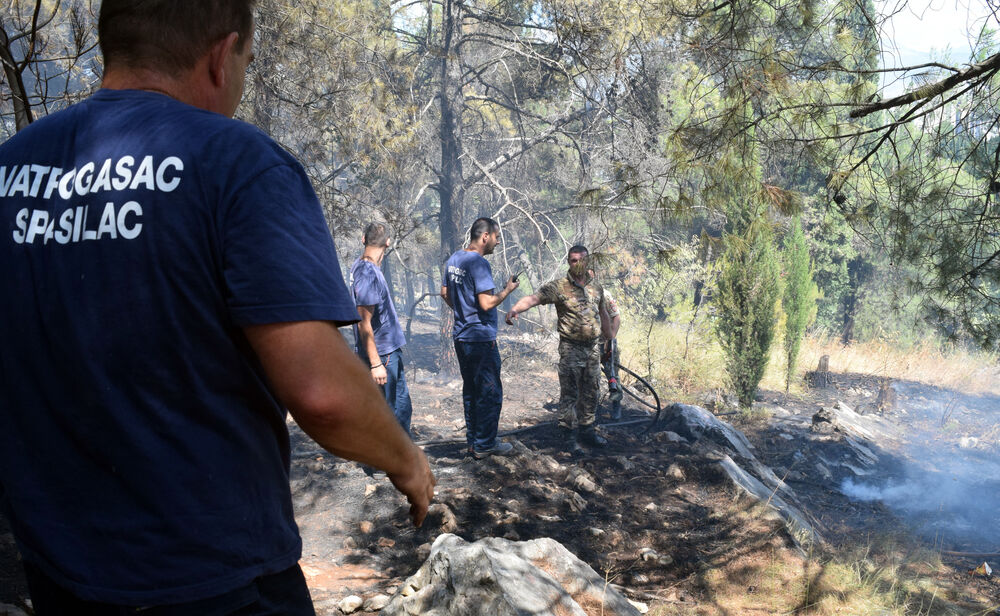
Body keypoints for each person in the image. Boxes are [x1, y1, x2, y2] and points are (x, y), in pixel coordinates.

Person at [0, 1, 434, 614]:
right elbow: (322, 396)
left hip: (61, 572)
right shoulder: (238, 164)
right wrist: (406, 458)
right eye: (247, 62)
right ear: (219, 55)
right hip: (213, 578)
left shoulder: (12, 167)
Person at [506, 246, 612, 453]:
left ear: (588, 261)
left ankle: (587, 432)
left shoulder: (596, 288)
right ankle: (568, 436)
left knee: (591, 391)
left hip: (592, 349)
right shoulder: (559, 287)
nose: (578, 263)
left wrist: (609, 339)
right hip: (571, 348)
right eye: (573, 260)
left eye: (582, 259)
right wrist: (514, 309)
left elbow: (603, 313)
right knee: (570, 393)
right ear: (569, 263)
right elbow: (534, 299)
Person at [441, 217, 519, 459]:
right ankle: (485, 444)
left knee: (471, 390)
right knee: (489, 391)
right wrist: (507, 291)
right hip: (480, 339)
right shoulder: (479, 263)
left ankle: (474, 442)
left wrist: (463, 311)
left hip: (462, 337)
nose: (497, 243)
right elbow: (486, 303)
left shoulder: (454, 259)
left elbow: (444, 292)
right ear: (485, 236)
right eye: (496, 237)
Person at [351, 222, 412, 434]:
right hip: (383, 355)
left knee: (401, 409)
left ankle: (400, 459)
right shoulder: (368, 273)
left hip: (388, 352)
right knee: (388, 414)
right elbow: (363, 321)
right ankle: (385, 461)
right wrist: (376, 364)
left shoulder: (363, 267)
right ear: (388, 242)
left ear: (363, 239)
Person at [600, 289, 624, 420]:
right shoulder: (577, 293)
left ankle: (616, 406)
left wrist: (611, 339)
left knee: (613, 374)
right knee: (588, 376)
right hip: (588, 344)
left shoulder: (604, 294)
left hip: (606, 342)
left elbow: (616, 317)